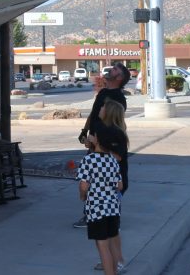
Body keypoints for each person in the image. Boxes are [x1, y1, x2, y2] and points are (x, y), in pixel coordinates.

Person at [74, 61, 129, 228]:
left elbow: (115, 122)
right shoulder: (103, 92)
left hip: (106, 143)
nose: (109, 70)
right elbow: (92, 114)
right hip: (95, 142)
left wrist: (102, 143)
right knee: (91, 177)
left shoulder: (119, 98)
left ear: (119, 77)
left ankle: (111, 217)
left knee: (109, 180)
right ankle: (91, 215)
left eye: (113, 70)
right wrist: (85, 132)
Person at [77, 127, 124, 275]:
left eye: (93, 134)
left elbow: (84, 185)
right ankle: (114, 271)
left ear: (98, 139)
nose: (90, 136)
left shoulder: (88, 160)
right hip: (113, 208)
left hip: (96, 209)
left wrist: (82, 195)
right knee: (110, 243)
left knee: (102, 245)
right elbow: (120, 185)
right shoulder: (113, 160)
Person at [89, 99, 129, 272]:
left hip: (112, 184)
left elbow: (117, 156)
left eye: (104, 106)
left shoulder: (115, 133)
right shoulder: (101, 128)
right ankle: (111, 261)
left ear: (110, 111)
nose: (101, 108)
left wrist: (98, 145)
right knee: (107, 226)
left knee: (111, 227)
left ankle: (118, 261)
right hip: (100, 183)